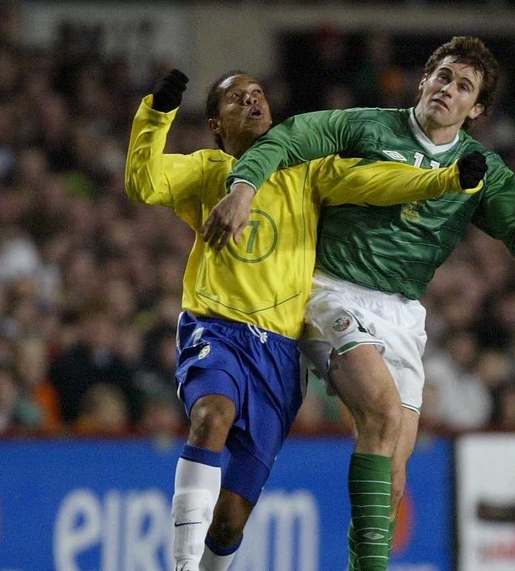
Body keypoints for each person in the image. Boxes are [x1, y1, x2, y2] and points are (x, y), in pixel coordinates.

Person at [206, 36, 515, 571]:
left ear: (477, 108)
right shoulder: (364, 126)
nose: (448, 89)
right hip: (331, 291)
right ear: (424, 80)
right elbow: (284, 139)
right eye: (442, 76)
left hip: (402, 315)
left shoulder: (480, 168)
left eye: (464, 86)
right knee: (382, 413)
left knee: (392, 479)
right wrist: (244, 187)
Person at [124, 69, 487, 571]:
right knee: (212, 415)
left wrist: (445, 179)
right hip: (216, 326)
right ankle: (181, 565)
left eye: (258, 95)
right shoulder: (206, 171)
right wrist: (157, 113)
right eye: (236, 99)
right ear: (215, 121)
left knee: (231, 519)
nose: (252, 103)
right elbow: (143, 182)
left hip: (279, 351)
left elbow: (371, 180)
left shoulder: (307, 171)